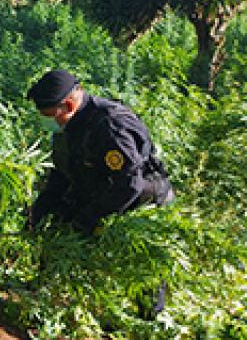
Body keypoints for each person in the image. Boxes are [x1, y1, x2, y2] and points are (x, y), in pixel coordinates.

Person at [26, 69, 174, 235]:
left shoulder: (110, 127)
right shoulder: (68, 125)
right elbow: (61, 175)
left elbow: (129, 185)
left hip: (137, 201)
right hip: (100, 191)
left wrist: (85, 220)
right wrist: (38, 213)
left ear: (68, 106)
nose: (45, 121)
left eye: (48, 115)